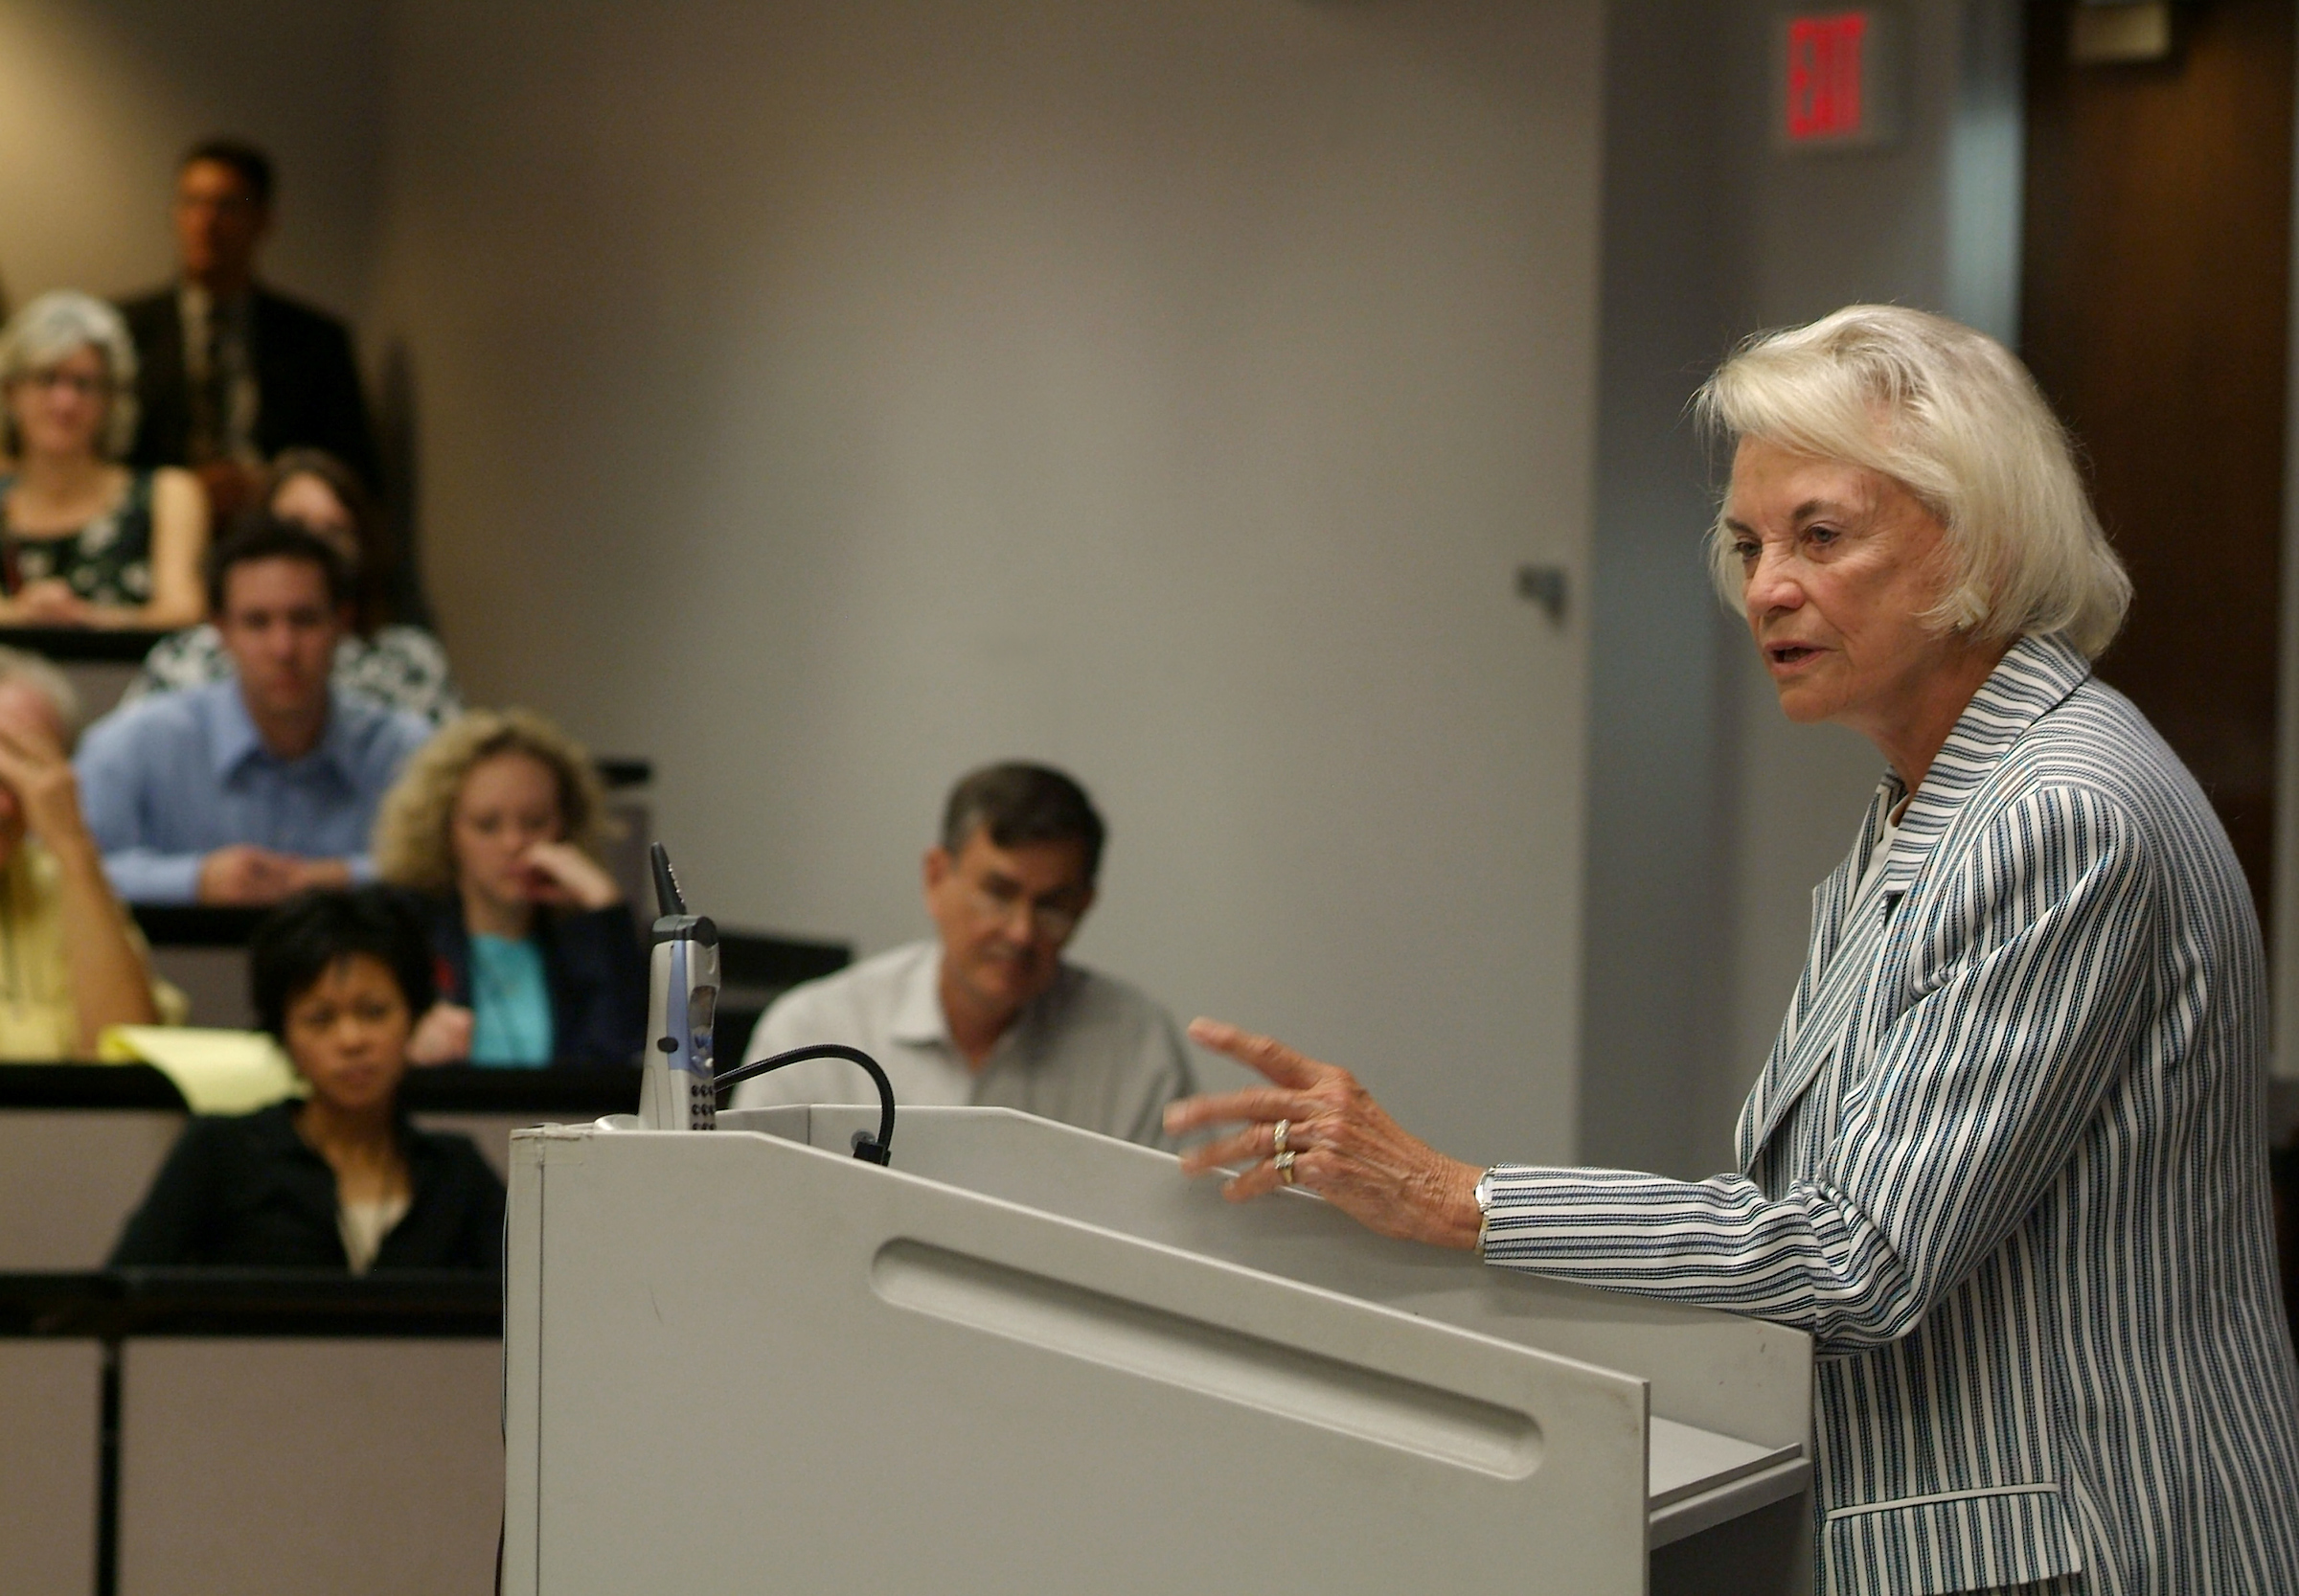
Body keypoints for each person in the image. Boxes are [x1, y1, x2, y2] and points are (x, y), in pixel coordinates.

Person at [1164, 307, 2299, 1593]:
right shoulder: (1948, 795)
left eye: (1822, 533)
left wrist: (1455, 1197)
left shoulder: (2054, 813)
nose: (1765, 586)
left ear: (1977, 534)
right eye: (1751, 542)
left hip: (2092, 1545)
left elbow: (1857, 1255)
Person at [730, 762, 1194, 1148]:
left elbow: (1180, 1238)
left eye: (1053, 906)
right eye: (997, 893)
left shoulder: (1136, 1049)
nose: (1020, 932)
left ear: (1085, 906)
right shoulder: (815, 1032)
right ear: (936, 877)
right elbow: (748, 1211)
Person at [108, 886, 504, 1271]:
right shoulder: (219, 1154)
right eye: (320, 1019)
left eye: (374, 1012)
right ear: (283, 1034)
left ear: (414, 1018)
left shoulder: (456, 1173)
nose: (351, 1040)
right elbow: (118, 1302)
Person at [75, 519, 433, 905]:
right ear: (221, 630)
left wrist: (342, 878)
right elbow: (66, 871)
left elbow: (452, 868)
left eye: (304, 619)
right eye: (257, 623)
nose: (283, 648)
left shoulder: (404, 752)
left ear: (341, 623)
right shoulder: (133, 745)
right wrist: (194, 880)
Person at [117, 139, 382, 516]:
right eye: (191, 202)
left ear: (262, 219)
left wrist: (265, 483)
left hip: (275, 530)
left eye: (226, 205)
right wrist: (182, 490)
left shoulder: (315, 341)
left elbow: (353, 472)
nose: (205, 222)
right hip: (149, 529)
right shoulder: (123, 331)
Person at [372, 708, 644, 1067]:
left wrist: (604, 905)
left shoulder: (582, 944)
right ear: (446, 832)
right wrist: (404, 1054)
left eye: (534, 822)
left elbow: (617, 1066)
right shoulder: (402, 935)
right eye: (487, 825)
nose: (514, 842)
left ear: (563, 825)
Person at [121, 449, 460, 723]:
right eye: (294, 525)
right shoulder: (185, 662)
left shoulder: (410, 662)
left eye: (334, 530)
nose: (312, 546)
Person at [0, 647, 181, 1056]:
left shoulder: (65, 883)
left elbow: (121, 1051)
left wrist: (70, 843)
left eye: (27, 776)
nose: (4, 808)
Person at [0, 291, 208, 627]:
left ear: (112, 399)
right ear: (11, 391)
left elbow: (183, 612)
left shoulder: (167, 493)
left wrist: (86, 618)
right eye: (47, 379)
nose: (64, 402)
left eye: (84, 384)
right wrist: (24, 614)